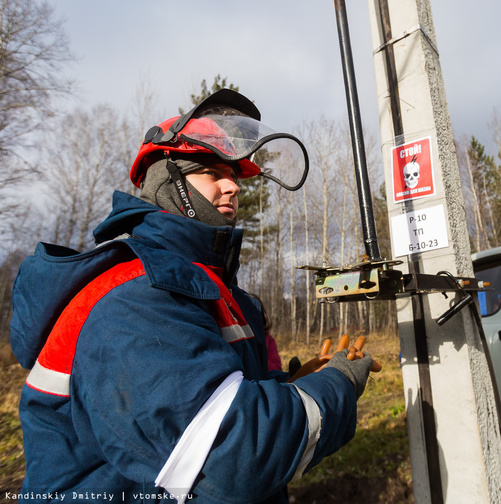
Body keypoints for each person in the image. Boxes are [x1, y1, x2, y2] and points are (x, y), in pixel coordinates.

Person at [10, 89, 376, 503]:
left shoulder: (200, 285)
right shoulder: (138, 296)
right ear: (169, 181)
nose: (232, 187)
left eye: (235, 177)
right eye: (212, 172)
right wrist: (337, 386)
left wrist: (292, 384)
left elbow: (215, 396)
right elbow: (234, 455)